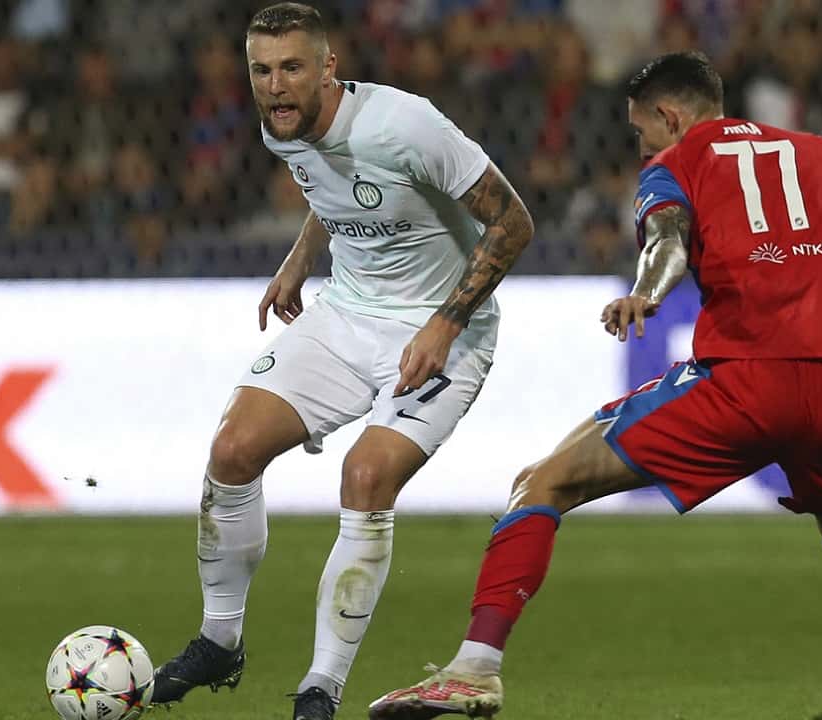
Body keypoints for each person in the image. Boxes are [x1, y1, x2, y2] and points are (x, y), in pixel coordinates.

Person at [367, 51, 822, 720]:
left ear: (669, 116)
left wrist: (646, 292)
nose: (640, 147)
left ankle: (474, 670)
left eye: (640, 132)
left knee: (543, 483)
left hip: (743, 386)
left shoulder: (677, 164)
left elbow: (667, 241)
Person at [147, 4, 534, 720]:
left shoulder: (406, 124)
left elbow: (514, 221)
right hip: (346, 314)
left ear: (329, 67)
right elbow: (331, 188)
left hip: (443, 329)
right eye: (261, 70)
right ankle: (219, 641)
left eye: (292, 67)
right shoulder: (281, 125)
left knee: (366, 476)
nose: (275, 85)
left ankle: (320, 688)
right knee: (232, 449)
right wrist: (299, 260)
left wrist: (445, 323)